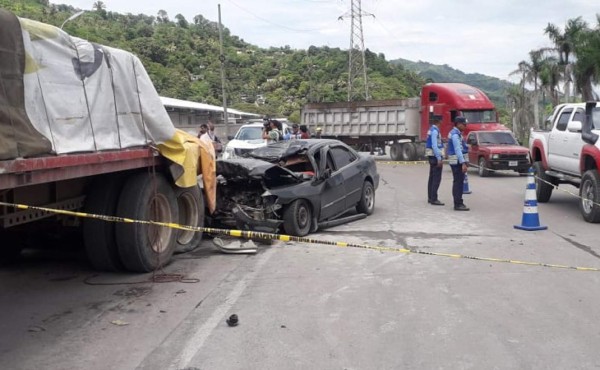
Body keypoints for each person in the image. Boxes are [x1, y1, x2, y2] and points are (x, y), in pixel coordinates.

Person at [447, 116, 470, 211]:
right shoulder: (455, 134)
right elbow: (458, 149)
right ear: (459, 124)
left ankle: (459, 202)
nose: (465, 126)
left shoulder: (457, 133)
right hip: (457, 162)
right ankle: (458, 204)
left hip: (456, 161)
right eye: (464, 124)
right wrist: (463, 163)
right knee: (458, 183)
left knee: (458, 182)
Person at [426, 115, 444, 206]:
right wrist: (439, 158)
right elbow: (434, 145)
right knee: (436, 178)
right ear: (439, 121)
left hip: (431, 156)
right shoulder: (435, 131)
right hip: (434, 156)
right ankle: (434, 198)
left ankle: (430, 197)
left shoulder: (431, 129)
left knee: (432, 177)